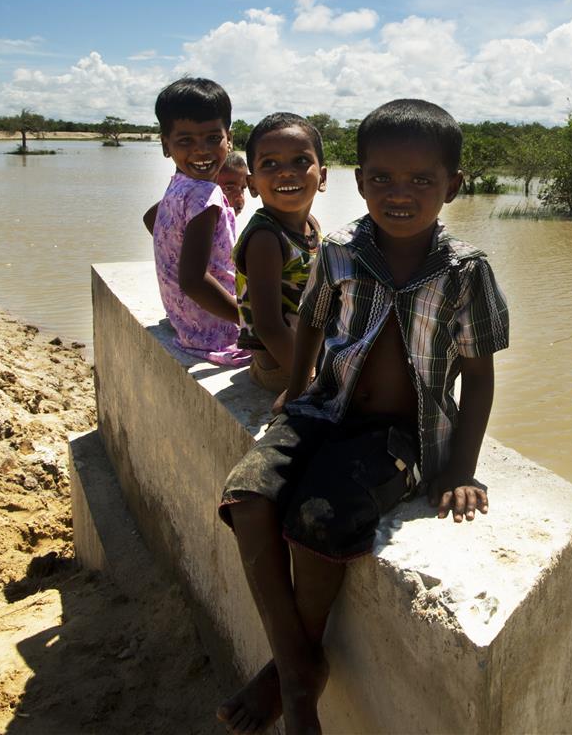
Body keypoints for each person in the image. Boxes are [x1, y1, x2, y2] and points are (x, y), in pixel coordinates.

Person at [216, 99, 509, 735]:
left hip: (403, 436)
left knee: (318, 515)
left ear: (452, 187)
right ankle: (298, 667)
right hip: (326, 407)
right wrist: (294, 394)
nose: (398, 193)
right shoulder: (343, 249)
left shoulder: (467, 272)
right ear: (358, 179)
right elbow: (315, 322)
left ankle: (290, 679)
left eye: (420, 180)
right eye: (381, 178)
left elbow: (480, 378)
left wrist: (463, 468)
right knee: (248, 494)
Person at [143, 76, 247, 366]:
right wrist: (249, 319)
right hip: (215, 332)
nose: (201, 150)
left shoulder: (180, 184)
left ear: (229, 139)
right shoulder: (205, 195)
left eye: (213, 138)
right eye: (186, 140)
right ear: (166, 145)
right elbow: (193, 281)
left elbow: (151, 218)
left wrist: (174, 249)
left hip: (185, 321)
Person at [233, 114, 326, 394]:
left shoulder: (310, 225)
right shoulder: (266, 239)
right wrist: (309, 383)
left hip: (305, 355)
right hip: (283, 368)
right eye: (270, 164)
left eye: (300, 160)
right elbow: (269, 325)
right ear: (251, 185)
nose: (286, 172)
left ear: (322, 176)